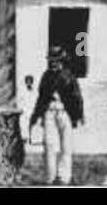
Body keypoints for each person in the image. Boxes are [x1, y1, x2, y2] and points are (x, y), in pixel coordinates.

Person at [29, 47, 85, 185]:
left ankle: (64, 177)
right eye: (51, 61)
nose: (53, 63)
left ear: (62, 61)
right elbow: (41, 98)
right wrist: (35, 116)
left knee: (66, 145)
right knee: (49, 144)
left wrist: (79, 115)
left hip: (64, 112)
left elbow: (77, 96)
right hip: (49, 112)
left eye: (56, 60)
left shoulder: (68, 75)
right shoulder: (46, 76)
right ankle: (50, 177)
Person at [20, 75, 38, 145]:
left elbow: (36, 100)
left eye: (30, 81)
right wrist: (22, 109)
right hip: (25, 110)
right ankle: (25, 138)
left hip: (32, 110)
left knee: (33, 125)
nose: (29, 83)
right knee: (24, 125)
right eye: (27, 81)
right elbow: (20, 100)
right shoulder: (22, 91)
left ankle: (32, 139)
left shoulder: (35, 91)